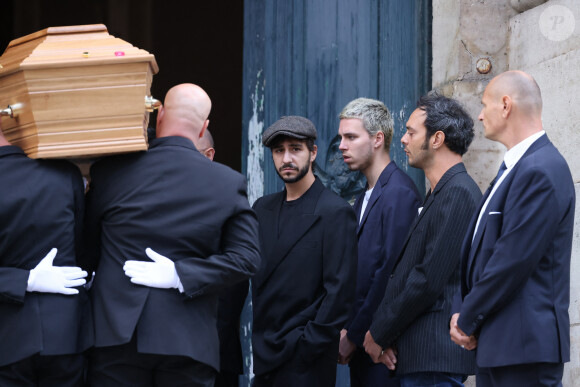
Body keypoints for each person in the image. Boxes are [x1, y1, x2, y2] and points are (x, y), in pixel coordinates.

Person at [83, 83, 261, 386]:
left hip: (115, 335)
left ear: (160, 114)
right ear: (204, 126)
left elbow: (85, 248)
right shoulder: (227, 182)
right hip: (188, 341)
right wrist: (181, 274)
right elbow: (247, 259)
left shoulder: (109, 171)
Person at [450, 70, 575, 386]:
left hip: (524, 351)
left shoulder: (541, 169)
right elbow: (481, 253)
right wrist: (463, 311)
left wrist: (466, 319)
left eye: (484, 105)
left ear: (505, 105)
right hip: (499, 346)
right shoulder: (515, 169)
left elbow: (510, 261)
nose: (479, 115)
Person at [363, 92, 481, 386]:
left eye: (411, 132)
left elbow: (427, 278)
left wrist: (378, 332)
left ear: (437, 139)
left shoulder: (458, 192)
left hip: (435, 358)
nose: (403, 139)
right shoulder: (439, 192)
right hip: (420, 357)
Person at [251, 115, 358, 387]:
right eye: (278, 151)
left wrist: (307, 347)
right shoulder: (262, 209)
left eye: (295, 149)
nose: (286, 158)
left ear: (313, 153)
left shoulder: (335, 212)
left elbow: (339, 294)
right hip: (265, 357)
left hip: (306, 362)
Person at [337, 98, 420, 386]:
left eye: (351, 137)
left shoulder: (399, 192)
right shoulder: (364, 197)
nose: (341, 146)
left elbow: (389, 273)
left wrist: (356, 335)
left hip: (384, 350)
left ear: (377, 139)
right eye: (341, 138)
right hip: (363, 346)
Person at [0, 123, 90, 386]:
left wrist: (23, 281)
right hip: (67, 332)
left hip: (7, 338)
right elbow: (82, 248)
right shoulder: (65, 173)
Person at [195, 129, 247, 387]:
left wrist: (207, 343)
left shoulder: (228, 196)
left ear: (209, 155)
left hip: (216, 350)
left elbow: (235, 278)